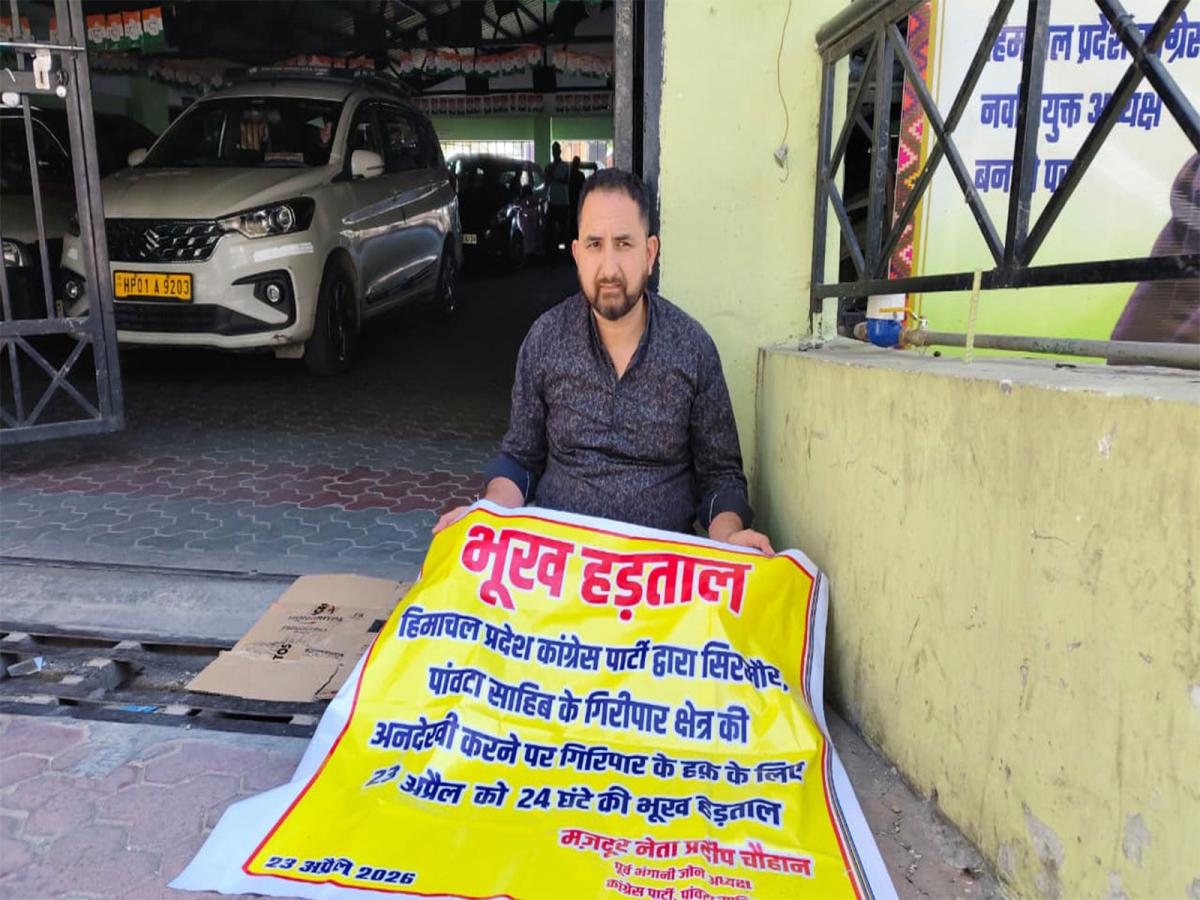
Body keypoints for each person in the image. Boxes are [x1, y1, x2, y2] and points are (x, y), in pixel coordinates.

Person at [435, 169, 773, 555]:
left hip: (658, 574)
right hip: (556, 568)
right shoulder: (545, 340)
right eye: (595, 245)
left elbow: (721, 477)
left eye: (624, 244)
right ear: (577, 254)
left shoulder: (692, 349)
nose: (609, 269)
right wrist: (487, 513)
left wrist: (727, 535)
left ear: (650, 253)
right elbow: (520, 460)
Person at [544, 141, 571, 258]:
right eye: (553, 150)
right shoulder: (549, 167)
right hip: (553, 201)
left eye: (556, 150)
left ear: (559, 151)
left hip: (563, 201)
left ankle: (568, 253)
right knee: (551, 230)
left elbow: (566, 181)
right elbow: (546, 181)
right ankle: (553, 253)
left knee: (564, 229)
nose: (554, 152)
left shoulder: (565, 166)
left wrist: (553, 178)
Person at [568, 155, 586, 241]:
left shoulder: (569, 174)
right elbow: (584, 188)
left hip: (570, 200)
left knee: (571, 221)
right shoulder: (580, 175)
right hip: (577, 200)